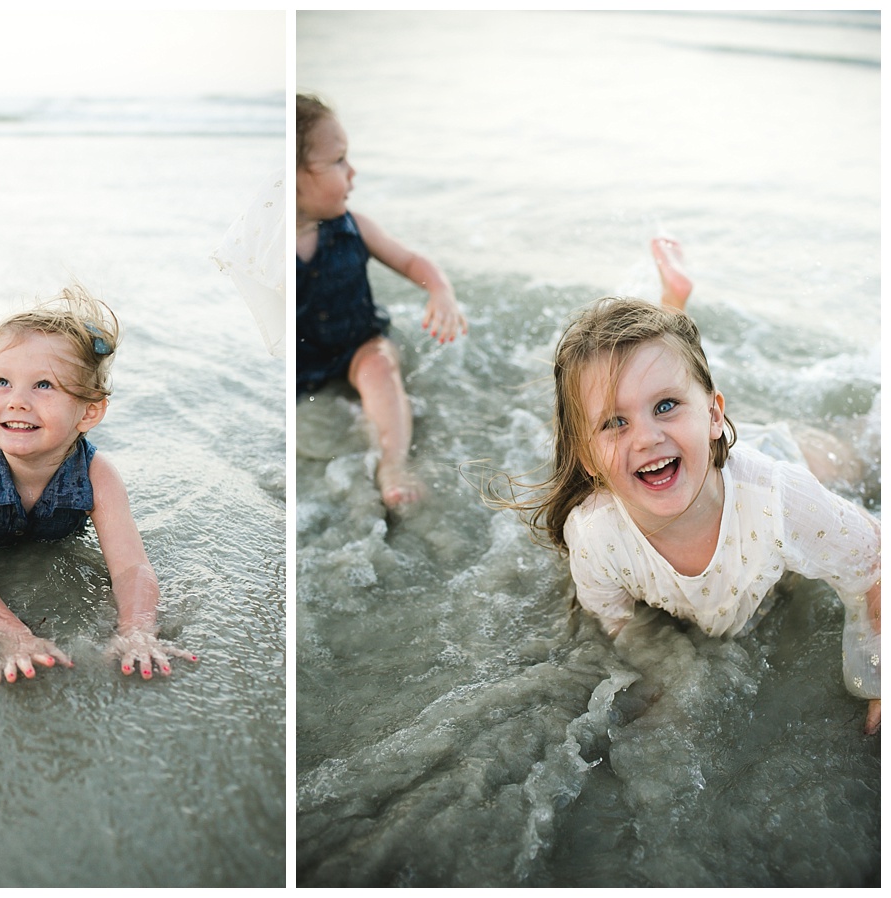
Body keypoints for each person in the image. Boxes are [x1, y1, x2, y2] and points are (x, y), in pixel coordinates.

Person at [510, 239, 881, 733]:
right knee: (660, 374)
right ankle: (672, 308)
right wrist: (662, 670)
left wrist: (879, 678)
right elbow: (614, 620)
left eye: (665, 407)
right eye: (614, 422)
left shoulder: (780, 499)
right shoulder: (596, 535)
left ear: (713, 414)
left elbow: (875, 563)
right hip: (697, 451)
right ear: (586, 457)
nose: (644, 437)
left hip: (776, 457)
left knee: (856, 454)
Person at [0, 276, 196, 685]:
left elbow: (132, 568)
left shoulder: (98, 475)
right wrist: (14, 638)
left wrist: (137, 629)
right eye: (1, 382)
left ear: (88, 413)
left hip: (10, 437)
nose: (17, 399)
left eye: (44, 385)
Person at [296, 93, 467, 508]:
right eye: (338, 161)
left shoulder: (356, 227)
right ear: (295, 179)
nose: (352, 172)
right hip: (304, 361)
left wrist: (440, 291)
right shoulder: (272, 251)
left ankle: (392, 462)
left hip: (360, 342)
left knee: (380, 366)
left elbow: (411, 260)